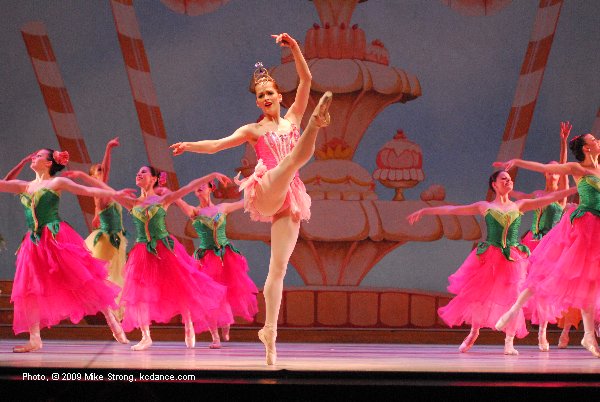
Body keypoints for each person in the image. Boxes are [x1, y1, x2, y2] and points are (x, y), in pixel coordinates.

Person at [170, 33, 332, 365]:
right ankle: (317, 126)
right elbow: (217, 145)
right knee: (290, 163)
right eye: (261, 95)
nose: (266, 97)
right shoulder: (253, 130)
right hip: (267, 189)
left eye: (270, 92)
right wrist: (189, 145)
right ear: (258, 103)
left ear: (280, 96)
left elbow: (306, 79)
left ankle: (269, 333)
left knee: (278, 268)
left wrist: (294, 47)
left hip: (290, 196)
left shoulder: (292, 118)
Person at [407, 171, 576, 355]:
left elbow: (553, 197)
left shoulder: (520, 205)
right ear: (494, 184)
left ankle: (509, 342)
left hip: (513, 257)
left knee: (514, 297)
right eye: (504, 179)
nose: (508, 181)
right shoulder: (485, 206)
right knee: (481, 294)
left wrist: (578, 186)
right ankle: (474, 332)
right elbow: (453, 210)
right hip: (490, 255)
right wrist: (425, 210)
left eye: (510, 179)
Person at [0, 148, 135, 352]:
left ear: (49, 163)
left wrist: (114, 194)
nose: (34, 157)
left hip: (56, 237)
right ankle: (35, 339)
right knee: (29, 288)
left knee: (83, 279)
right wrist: (21, 162)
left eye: (39, 156)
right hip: (33, 242)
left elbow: (87, 191)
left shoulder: (56, 182)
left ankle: (112, 320)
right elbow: (3, 184)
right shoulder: (24, 186)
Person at [494, 131, 600, 357]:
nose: (598, 141)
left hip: (597, 228)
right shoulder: (578, 169)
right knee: (549, 272)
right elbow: (544, 167)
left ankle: (588, 335)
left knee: (590, 281)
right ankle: (514, 310)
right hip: (584, 226)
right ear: (586, 148)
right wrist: (518, 162)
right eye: (594, 140)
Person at [115, 166, 234, 351]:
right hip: (142, 252)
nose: (139, 174)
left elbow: (188, 187)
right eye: (138, 172)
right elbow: (103, 192)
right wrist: (85, 177)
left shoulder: (163, 200)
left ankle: (188, 322)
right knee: (140, 292)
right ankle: (146, 337)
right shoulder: (132, 203)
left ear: (154, 179)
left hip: (165, 247)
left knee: (180, 284)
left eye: (144, 172)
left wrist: (212, 174)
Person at [168, 181, 258, 348]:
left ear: (211, 188)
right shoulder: (195, 211)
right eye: (197, 186)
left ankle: (226, 323)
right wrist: (168, 191)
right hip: (205, 259)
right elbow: (178, 200)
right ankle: (215, 337)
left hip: (225, 257)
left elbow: (244, 202)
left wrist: (253, 185)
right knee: (208, 298)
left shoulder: (222, 207)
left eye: (204, 185)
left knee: (226, 293)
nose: (200, 187)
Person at [509, 122, 571, 351]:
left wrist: (563, 142)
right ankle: (511, 334)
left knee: (545, 289)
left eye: (556, 171)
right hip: (533, 243)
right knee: (524, 285)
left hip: (551, 246)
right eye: (549, 170)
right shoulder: (537, 194)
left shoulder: (560, 196)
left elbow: (565, 167)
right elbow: (520, 197)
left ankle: (543, 333)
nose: (552, 173)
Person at [62, 137, 127, 320]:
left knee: (114, 276)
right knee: (105, 276)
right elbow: (107, 170)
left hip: (116, 238)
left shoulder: (103, 191)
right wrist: (108, 148)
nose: (103, 171)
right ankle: (103, 310)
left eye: (101, 170)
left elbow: (99, 208)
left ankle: (109, 311)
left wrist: (97, 214)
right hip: (107, 240)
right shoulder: (100, 191)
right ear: (92, 177)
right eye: (98, 171)